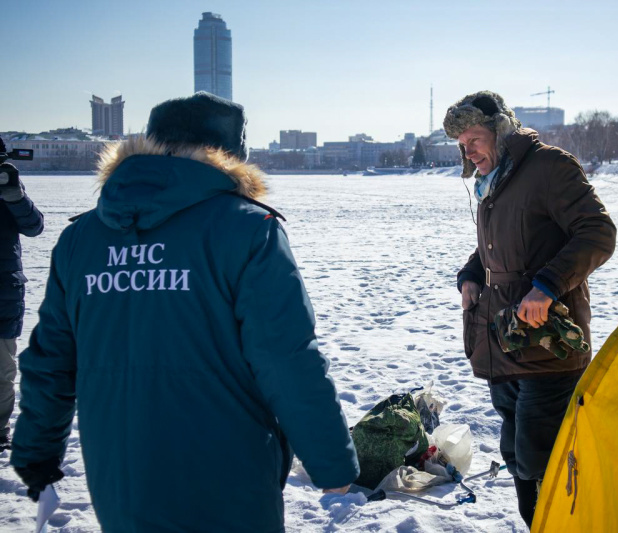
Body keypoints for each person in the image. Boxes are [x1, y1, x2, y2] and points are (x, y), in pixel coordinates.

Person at [11, 92, 359, 532]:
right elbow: (287, 357)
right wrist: (332, 464)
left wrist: (37, 453)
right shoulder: (248, 228)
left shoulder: (82, 239)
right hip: (228, 473)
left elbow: (50, 362)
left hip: (121, 474)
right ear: (231, 155)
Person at [444, 91, 616, 527]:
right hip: (502, 340)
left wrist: (548, 286)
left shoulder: (550, 167)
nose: (469, 151)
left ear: (500, 131)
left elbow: (598, 232)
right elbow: (497, 249)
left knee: (542, 460)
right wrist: (470, 276)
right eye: (462, 145)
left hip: (548, 346)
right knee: (518, 455)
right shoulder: (495, 181)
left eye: (475, 139)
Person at [0, 139, 44, 451]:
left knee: (3, 367)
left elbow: (34, 227)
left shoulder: (9, 188)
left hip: (3, 288)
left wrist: (15, 197)